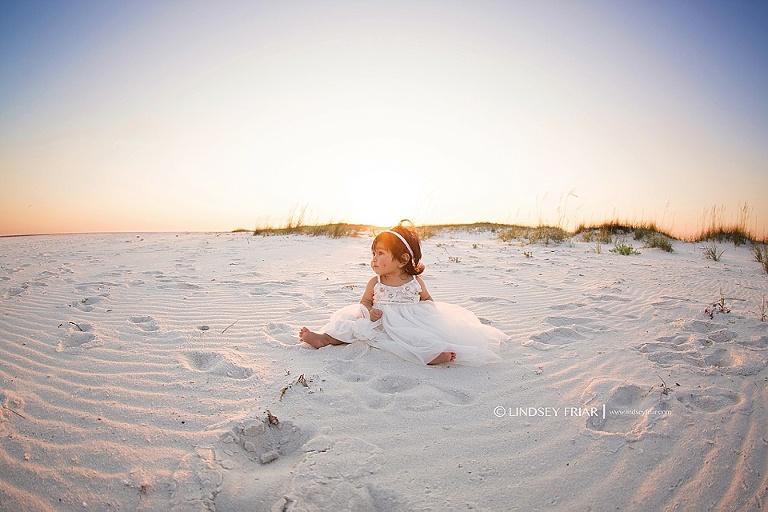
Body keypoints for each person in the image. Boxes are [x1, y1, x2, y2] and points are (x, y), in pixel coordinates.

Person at [299, 220, 507, 366]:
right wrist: (369, 311)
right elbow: (364, 301)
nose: (373, 259)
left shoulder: (415, 283)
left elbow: (427, 300)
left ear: (403, 259)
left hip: (407, 321)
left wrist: (431, 316)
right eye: (373, 253)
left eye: (380, 254)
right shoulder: (376, 282)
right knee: (352, 328)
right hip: (379, 320)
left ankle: (431, 354)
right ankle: (323, 339)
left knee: (415, 337)